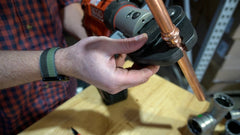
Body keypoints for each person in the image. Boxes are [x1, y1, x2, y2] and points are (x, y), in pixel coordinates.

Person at [0, 0, 160, 134]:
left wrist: (97, 43)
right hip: (15, 119)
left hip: (67, 98)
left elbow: (65, 6)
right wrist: (65, 62)